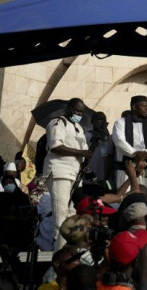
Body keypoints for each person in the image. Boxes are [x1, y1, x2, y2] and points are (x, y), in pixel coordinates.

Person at [44, 97, 93, 250]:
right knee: (60, 215)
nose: (79, 114)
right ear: (69, 108)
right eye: (77, 110)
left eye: (81, 112)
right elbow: (55, 146)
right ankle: (59, 253)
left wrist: (86, 157)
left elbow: (83, 153)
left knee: (71, 214)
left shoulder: (79, 128)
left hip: (74, 174)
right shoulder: (58, 123)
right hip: (59, 172)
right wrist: (80, 152)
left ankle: (70, 250)